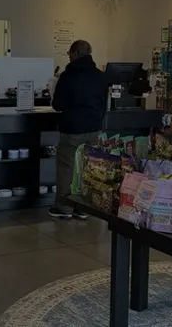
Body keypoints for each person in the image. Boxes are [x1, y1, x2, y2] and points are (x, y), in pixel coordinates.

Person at [49, 39, 108, 220]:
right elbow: (104, 104)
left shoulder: (68, 76)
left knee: (66, 167)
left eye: (69, 54)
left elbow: (57, 104)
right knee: (88, 167)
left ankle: (64, 207)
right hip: (94, 128)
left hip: (72, 128)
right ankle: (84, 207)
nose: (69, 57)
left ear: (74, 54)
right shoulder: (100, 76)